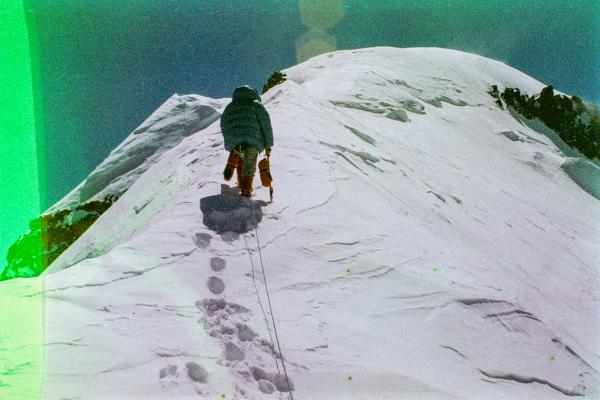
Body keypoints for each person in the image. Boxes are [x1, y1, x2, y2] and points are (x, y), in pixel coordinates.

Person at [220, 85, 273, 198]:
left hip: (235, 139)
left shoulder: (230, 106)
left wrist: (230, 139)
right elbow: (265, 125)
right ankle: (245, 189)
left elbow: (223, 123)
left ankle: (233, 160)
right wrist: (268, 144)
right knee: (249, 165)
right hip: (252, 139)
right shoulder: (255, 104)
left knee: (241, 162)